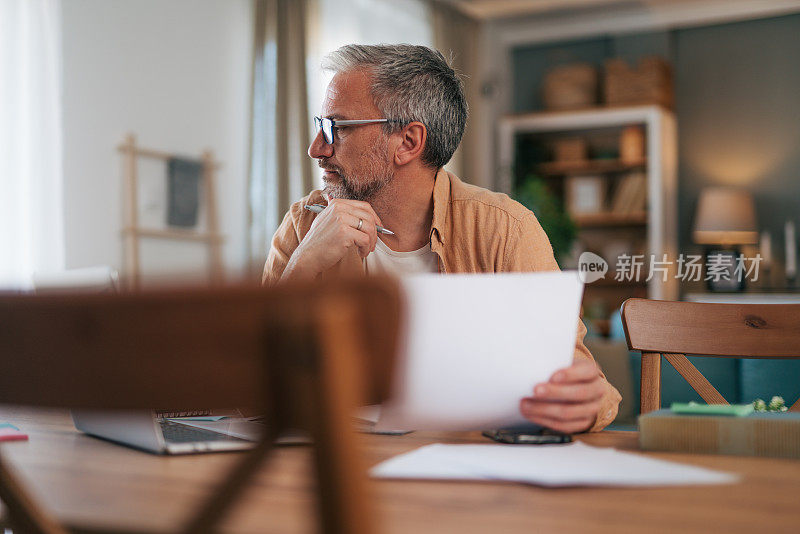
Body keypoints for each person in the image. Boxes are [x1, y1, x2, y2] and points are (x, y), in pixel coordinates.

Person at [263, 44, 621, 433]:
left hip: (465, 467)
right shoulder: (305, 223)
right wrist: (306, 262)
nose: (317, 148)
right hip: (338, 464)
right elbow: (247, 378)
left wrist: (580, 405)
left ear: (408, 142)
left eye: (337, 127)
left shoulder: (504, 229)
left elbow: (585, 381)